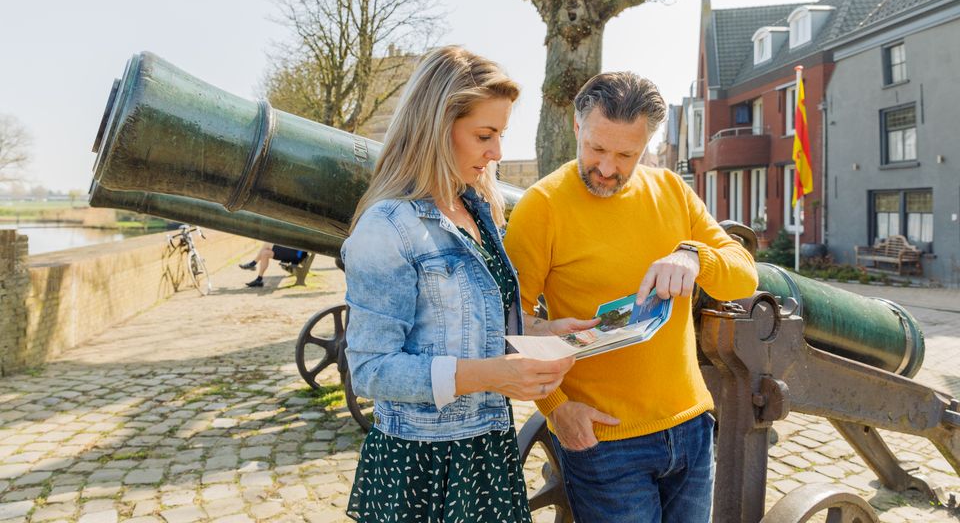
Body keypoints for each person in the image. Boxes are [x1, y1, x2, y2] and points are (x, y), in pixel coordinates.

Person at [341, 46, 595, 523]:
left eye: (499, 134)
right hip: (422, 467)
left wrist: (542, 333)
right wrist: (490, 375)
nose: (497, 152)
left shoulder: (480, 209)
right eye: (485, 134)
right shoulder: (386, 227)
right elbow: (372, 371)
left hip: (487, 453)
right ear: (438, 129)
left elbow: (474, 328)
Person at [503, 72, 758, 523]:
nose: (606, 168)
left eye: (626, 155)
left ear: (648, 145)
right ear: (577, 128)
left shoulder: (673, 191)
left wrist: (694, 257)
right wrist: (557, 410)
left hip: (692, 427)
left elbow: (744, 279)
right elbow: (510, 326)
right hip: (603, 440)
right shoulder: (541, 207)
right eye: (597, 149)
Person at [239, 243, 307, 287]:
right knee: (265, 253)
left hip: (296, 255)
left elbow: (300, 249)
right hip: (293, 252)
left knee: (267, 245)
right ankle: (259, 280)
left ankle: (252, 264)